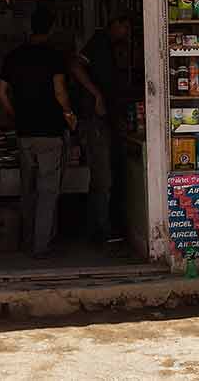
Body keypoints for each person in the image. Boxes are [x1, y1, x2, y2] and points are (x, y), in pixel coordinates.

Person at [0, 9, 76, 258]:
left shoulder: (13, 57)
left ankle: (27, 239)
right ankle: (40, 247)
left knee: (27, 189)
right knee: (47, 191)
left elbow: (0, 93)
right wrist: (68, 113)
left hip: (24, 134)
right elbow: (60, 91)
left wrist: (15, 115)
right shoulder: (54, 57)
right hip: (50, 133)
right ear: (51, 30)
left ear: (29, 28)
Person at [72, 18, 125, 242]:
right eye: (125, 27)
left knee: (102, 176)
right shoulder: (99, 42)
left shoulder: (109, 47)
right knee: (102, 177)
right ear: (114, 25)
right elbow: (75, 65)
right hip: (94, 120)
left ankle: (97, 228)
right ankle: (102, 230)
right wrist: (96, 95)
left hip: (103, 120)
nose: (127, 34)